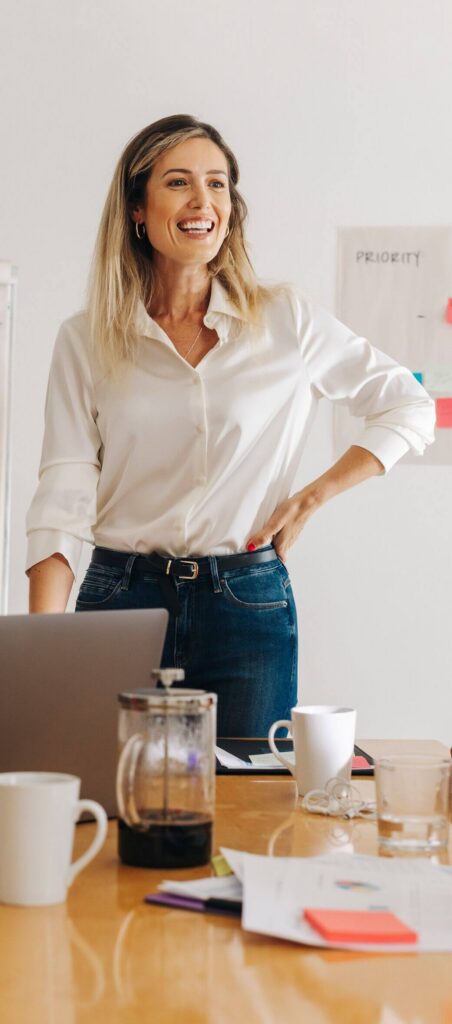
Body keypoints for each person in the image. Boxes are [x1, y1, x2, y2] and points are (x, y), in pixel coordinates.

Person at [25, 113, 436, 737]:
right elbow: (63, 494)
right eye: (179, 183)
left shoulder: (285, 321)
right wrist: (43, 650)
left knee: (253, 810)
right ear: (138, 208)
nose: (203, 202)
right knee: (116, 805)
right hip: (121, 597)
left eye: (218, 184)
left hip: (248, 604)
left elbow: (409, 404)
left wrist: (311, 497)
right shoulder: (86, 339)